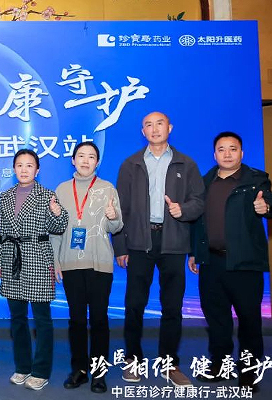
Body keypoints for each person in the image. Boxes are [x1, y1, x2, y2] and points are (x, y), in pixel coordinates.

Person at [112, 111, 205, 387]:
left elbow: (199, 202)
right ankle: (133, 360)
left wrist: (182, 209)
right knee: (134, 305)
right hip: (139, 242)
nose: (154, 129)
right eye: (148, 125)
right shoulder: (130, 164)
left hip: (173, 241)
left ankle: (169, 363)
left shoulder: (186, 164)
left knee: (172, 307)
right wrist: (120, 246)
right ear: (143, 132)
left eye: (159, 124)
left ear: (170, 128)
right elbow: (120, 209)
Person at [189, 131, 270, 393]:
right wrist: (194, 252)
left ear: (241, 153)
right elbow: (197, 222)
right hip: (212, 262)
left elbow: (269, 202)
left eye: (233, 149)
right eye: (221, 149)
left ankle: (249, 371)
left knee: (249, 319)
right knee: (216, 318)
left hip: (245, 263)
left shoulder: (256, 180)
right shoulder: (205, 182)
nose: (227, 154)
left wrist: (266, 208)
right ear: (214, 154)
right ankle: (220, 365)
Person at [0, 149, 68, 392]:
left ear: (37, 170)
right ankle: (22, 367)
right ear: (14, 169)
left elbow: (58, 226)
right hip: (11, 258)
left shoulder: (47, 195)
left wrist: (58, 213)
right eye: (20, 165)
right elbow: (1, 231)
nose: (24, 170)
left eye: (29, 165)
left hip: (38, 258)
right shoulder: (5, 196)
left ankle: (41, 371)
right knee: (17, 319)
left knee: (42, 319)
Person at [50, 142, 123, 393]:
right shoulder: (62, 189)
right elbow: (55, 230)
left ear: (97, 162)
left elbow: (116, 227)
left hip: (99, 263)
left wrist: (113, 216)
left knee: (99, 319)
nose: (85, 160)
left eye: (91, 156)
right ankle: (79, 370)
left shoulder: (107, 188)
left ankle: (99, 373)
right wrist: (55, 261)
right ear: (73, 160)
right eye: (81, 156)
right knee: (77, 319)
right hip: (70, 263)